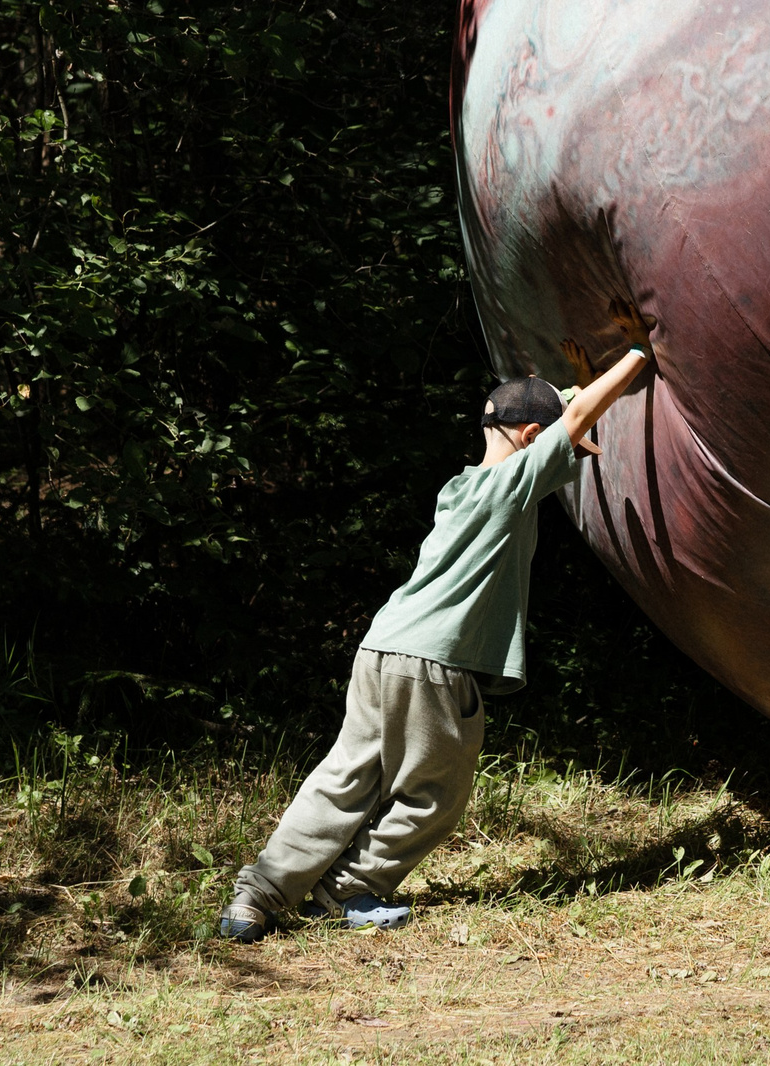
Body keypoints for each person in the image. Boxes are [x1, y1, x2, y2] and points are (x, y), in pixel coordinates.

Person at [216, 317, 654, 941]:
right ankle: (349, 890)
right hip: (435, 662)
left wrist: (581, 388)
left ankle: (255, 895)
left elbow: (573, 419)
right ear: (532, 436)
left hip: (383, 648)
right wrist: (640, 351)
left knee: (346, 777)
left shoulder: (461, 487)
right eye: (555, 437)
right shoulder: (511, 486)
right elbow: (578, 421)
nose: (570, 449)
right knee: (435, 793)